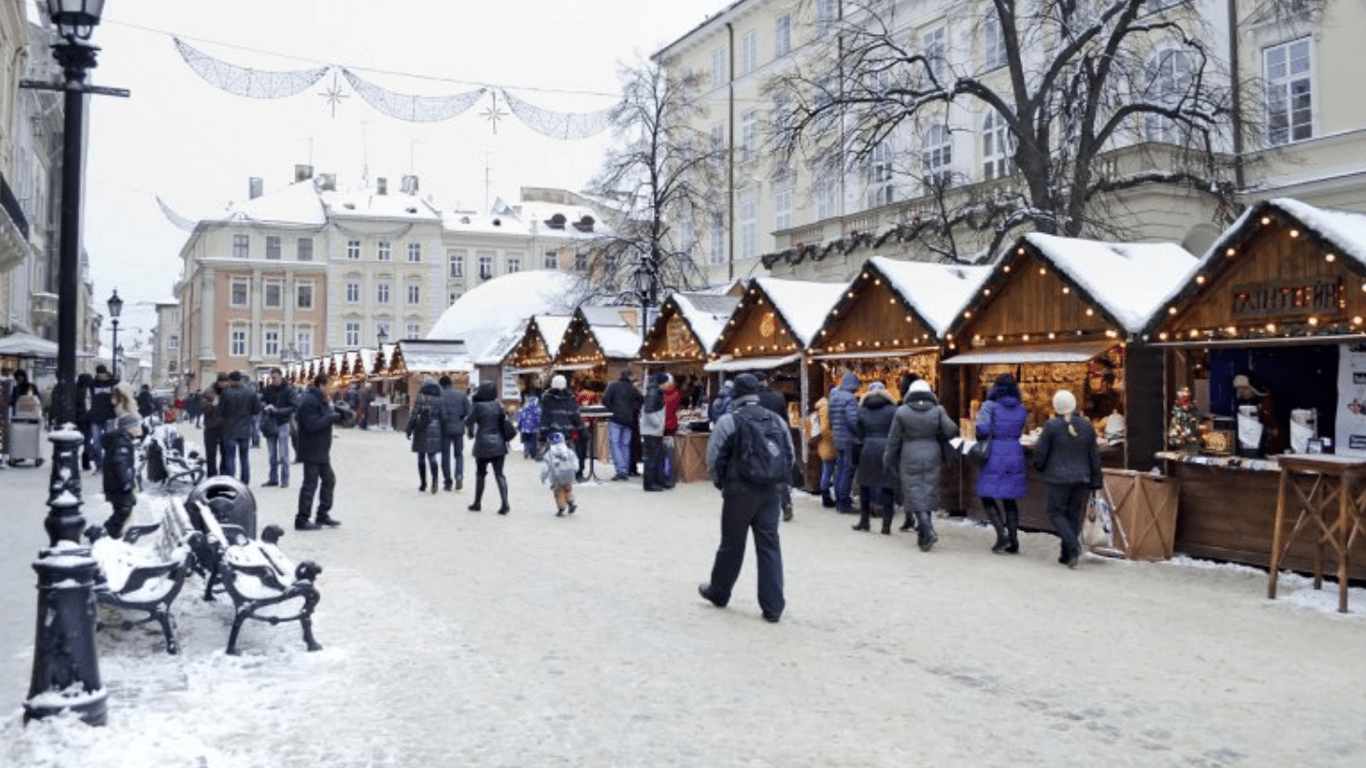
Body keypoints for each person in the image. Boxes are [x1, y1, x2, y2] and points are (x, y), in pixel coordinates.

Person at [697, 373, 793, 623]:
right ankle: (773, 606)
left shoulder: (729, 421)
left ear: (735, 393)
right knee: (769, 545)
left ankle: (719, 591)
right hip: (771, 491)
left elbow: (713, 458)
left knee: (732, 544)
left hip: (739, 491)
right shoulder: (776, 420)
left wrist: (722, 483)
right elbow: (789, 455)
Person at [1032, 389, 1103, 568]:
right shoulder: (1086, 426)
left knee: (1056, 512)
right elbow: (1093, 455)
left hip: (1057, 478)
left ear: (1055, 406)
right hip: (1081, 477)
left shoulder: (1051, 426)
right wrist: (1096, 478)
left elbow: (1041, 451)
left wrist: (1039, 466)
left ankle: (1073, 546)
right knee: (1072, 514)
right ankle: (1067, 555)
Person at [884, 379, 957, 552]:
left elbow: (893, 440)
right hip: (932, 453)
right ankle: (924, 534)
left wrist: (887, 460)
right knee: (928, 490)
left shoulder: (902, 411)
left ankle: (927, 530)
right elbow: (952, 429)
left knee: (913, 491)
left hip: (909, 454)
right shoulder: (937, 410)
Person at [976, 373, 1029, 553]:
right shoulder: (1021, 408)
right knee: (1009, 497)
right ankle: (1014, 541)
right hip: (1014, 452)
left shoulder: (989, 406)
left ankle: (1001, 535)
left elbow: (981, 430)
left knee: (986, 494)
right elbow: (1020, 430)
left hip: (995, 453)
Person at [295, 372, 347, 530]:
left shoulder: (322, 399)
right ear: (321, 385)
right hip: (312, 448)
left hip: (321, 450)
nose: (331, 389)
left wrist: (338, 415)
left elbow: (324, 417)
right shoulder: (309, 400)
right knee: (310, 484)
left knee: (329, 480)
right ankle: (302, 519)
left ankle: (322, 514)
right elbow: (311, 425)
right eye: (329, 385)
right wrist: (332, 417)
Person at [851, 382, 898, 534]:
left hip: (868, 448)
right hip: (887, 449)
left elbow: (857, 436)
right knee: (888, 487)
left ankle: (864, 521)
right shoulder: (893, 410)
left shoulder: (862, 410)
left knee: (865, 486)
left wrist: (856, 457)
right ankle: (886, 525)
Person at [466, 380, 512, 514]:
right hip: (499, 444)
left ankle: (477, 503)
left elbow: (468, 421)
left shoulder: (478, 406)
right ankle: (505, 503)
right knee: (499, 474)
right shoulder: (499, 405)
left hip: (483, 445)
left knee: (480, 474)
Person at [755, 372, 792, 520]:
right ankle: (786, 503)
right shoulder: (778, 397)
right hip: (776, 438)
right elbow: (785, 420)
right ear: (766, 381)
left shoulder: (753, 399)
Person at [100, 411, 142, 540]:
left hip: (113, 480)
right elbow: (120, 462)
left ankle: (112, 533)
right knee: (124, 508)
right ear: (129, 428)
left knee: (123, 507)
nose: (139, 429)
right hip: (117, 482)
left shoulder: (121, 439)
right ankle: (108, 532)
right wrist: (126, 482)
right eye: (137, 426)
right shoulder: (122, 442)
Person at [218, 371, 261, 484]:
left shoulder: (226, 393)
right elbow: (256, 410)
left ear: (231, 380)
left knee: (230, 457)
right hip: (245, 430)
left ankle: (231, 481)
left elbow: (220, 411)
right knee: (244, 457)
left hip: (229, 429)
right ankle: (245, 481)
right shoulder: (250, 392)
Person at [538, 375, 584, 479]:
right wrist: (581, 429)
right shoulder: (570, 397)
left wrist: (542, 435)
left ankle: (557, 477)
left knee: (554, 456)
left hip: (552, 433)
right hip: (567, 432)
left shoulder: (547, 398)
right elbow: (575, 415)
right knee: (568, 454)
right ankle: (570, 476)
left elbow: (545, 418)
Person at [601, 369, 642, 481]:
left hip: (615, 418)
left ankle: (620, 470)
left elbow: (605, 399)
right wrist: (633, 408)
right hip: (629, 419)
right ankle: (625, 469)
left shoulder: (613, 386)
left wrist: (612, 410)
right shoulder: (632, 388)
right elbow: (641, 398)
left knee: (615, 444)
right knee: (625, 445)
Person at [259, 369, 297, 488]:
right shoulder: (268, 389)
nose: (273, 380)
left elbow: (293, 407)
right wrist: (265, 406)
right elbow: (262, 401)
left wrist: (278, 411)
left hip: (283, 423)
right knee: (272, 454)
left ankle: (285, 480)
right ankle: (273, 479)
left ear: (281, 377)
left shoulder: (288, 389)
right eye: (271, 377)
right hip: (270, 423)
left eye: (274, 377)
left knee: (283, 453)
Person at [829, 372, 860, 514]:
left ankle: (838, 498)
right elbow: (853, 420)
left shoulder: (833, 397)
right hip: (849, 439)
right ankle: (843, 501)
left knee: (839, 469)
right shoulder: (850, 399)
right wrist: (859, 433)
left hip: (838, 438)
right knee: (848, 471)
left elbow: (831, 419)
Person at [408, 377, 446, 494]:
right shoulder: (440, 399)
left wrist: (409, 429)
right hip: (436, 430)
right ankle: (435, 481)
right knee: (432, 457)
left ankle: (423, 483)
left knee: (421, 458)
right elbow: (443, 417)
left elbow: (414, 415)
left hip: (421, 429)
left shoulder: (420, 397)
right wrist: (443, 432)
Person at [1233, 372, 1283, 457]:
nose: (1241, 392)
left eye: (1245, 388)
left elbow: (1274, 430)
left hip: (1269, 451)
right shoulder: (1241, 405)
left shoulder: (1267, 403)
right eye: (1238, 389)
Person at [438, 375, 472, 491]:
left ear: (441, 385)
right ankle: (459, 475)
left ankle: (448, 482)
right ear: (451, 383)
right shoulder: (461, 395)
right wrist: (470, 429)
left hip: (444, 430)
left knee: (445, 456)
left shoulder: (440, 396)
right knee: (458, 454)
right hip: (458, 428)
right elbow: (470, 413)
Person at [540, 430, 579, 516]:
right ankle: (571, 502)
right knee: (568, 489)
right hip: (569, 474)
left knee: (559, 492)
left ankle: (561, 508)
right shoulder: (569, 451)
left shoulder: (549, 454)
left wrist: (543, 478)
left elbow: (545, 468)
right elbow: (575, 462)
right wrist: (575, 470)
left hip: (556, 476)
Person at [640, 373, 668, 491]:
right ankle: (650, 483)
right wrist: (658, 423)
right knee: (652, 457)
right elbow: (649, 411)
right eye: (667, 382)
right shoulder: (654, 393)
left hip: (653, 431)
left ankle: (658, 481)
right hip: (652, 431)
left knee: (656, 456)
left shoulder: (654, 392)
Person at [88, 364, 117, 472]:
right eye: (99, 373)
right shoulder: (93, 384)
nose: (100, 375)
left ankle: (107, 465)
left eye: (102, 373)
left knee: (108, 442)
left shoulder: (113, 383)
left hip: (109, 416)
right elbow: (88, 399)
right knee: (97, 443)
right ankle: (99, 465)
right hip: (97, 417)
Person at [811, 393, 837, 508]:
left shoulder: (821, 406)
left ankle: (826, 495)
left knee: (827, 469)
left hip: (824, 443)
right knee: (828, 470)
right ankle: (826, 497)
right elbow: (825, 428)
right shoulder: (826, 407)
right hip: (828, 443)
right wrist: (833, 437)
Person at [200, 373, 227, 477]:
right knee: (211, 453)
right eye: (222, 382)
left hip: (225, 427)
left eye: (226, 382)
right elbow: (203, 408)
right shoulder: (208, 392)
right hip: (211, 426)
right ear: (218, 382)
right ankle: (211, 475)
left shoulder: (229, 392)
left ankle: (224, 474)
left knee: (225, 453)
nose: (224, 385)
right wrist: (212, 404)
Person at [517, 388, 542, 460]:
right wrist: (539, 425)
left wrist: (520, 426)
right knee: (533, 441)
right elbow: (538, 417)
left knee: (526, 440)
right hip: (534, 428)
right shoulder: (537, 407)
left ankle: (526, 451)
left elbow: (520, 417)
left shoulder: (525, 406)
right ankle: (533, 454)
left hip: (525, 428)